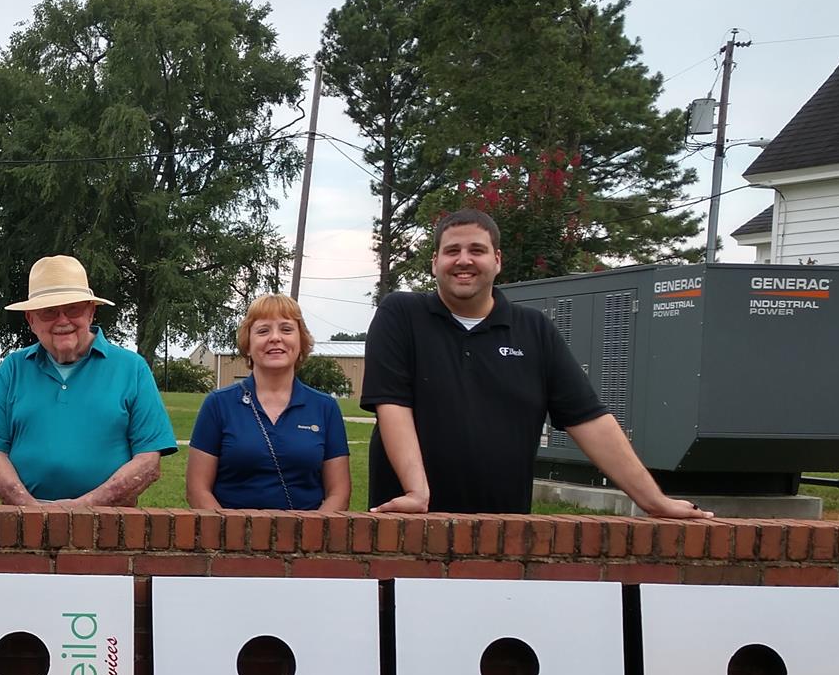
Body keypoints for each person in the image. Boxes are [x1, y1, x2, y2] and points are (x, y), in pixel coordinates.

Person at [362, 208, 707, 518]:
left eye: (476, 250)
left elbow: (589, 419)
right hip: (408, 521)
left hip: (503, 530)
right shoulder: (401, 314)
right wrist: (416, 492)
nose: (463, 260)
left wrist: (654, 501)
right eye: (452, 251)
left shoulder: (534, 329)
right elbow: (392, 405)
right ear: (434, 262)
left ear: (497, 260)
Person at [0, 255, 179, 506]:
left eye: (73, 308)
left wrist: (83, 508)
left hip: (111, 525)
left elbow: (148, 460)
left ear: (91, 311)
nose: (62, 320)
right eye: (48, 312)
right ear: (31, 320)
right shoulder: (12, 369)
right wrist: (30, 509)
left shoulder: (132, 369)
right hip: (24, 524)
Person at [188, 294, 350, 511]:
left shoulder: (325, 408)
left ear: (301, 342)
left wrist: (309, 536)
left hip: (306, 540)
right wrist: (232, 532)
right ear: (247, 344)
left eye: (286, 329)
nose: (275, 338)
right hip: (228, 539)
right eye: (263, 330)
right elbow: (197, 489)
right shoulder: (217, 405)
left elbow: (339, 493)